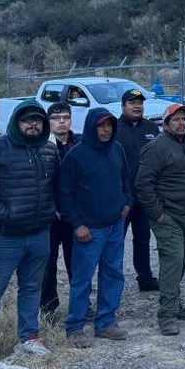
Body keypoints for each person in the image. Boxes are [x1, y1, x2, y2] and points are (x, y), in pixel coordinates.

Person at [0, 101, 58, 369]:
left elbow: (55, 187)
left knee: (31, 289)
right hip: (1, 238)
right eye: (27, 120)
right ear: (16, 122)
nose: (33, 125)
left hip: (38, 235)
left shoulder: (49, 150)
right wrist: (1, 214)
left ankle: (29, 338)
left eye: (38, 120)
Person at [57, 108, 131, 347]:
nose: (106, 130)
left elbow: (126, 179)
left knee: (113, 274)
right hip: (89, 231)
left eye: (109, 125)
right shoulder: (75, 156)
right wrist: (77, 225)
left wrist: (127, 202)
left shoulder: (117, 149)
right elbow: (64, 194)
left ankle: (106, 323)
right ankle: (75, 328)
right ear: (91, 127)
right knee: (82, 279)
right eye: (101, 125)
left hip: (114, 225)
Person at [134, 103, 185, 336]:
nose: (181, 123)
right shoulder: (156, 147)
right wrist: (158, 214)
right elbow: (143, 185)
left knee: (181, 262)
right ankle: (166, 315)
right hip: (169, 217)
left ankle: (175, 303)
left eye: (184, 118)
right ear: (166, 124)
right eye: (176, 119)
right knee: (172, 262)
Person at [115, 88, 160, 292]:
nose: (137, 106)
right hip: (121, 197)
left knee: (143, 238)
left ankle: (145, 277)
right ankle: (113, 281)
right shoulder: (113, 129)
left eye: (140, 102)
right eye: (132, 102)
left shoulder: (151, 128)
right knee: (115, 242)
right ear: (123, 106)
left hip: (145, 196)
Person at [42, 101, 83, 319]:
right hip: (50, 217)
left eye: (65, 117)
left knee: (76, 263)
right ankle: (48, 308)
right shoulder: (41, 146)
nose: (61, 122)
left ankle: (80, 305)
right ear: (49, 121)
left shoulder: (79, 144)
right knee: (47, 264)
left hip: (75, 215)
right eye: (57, 118)